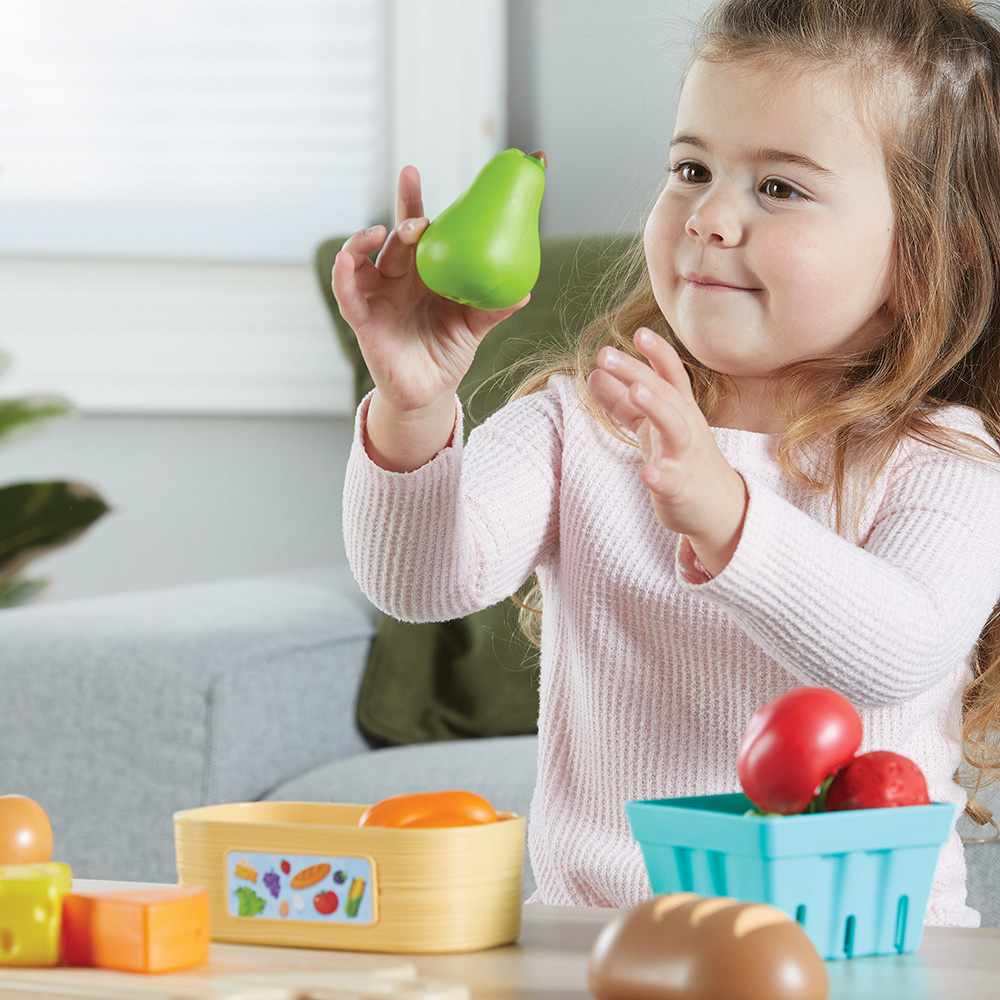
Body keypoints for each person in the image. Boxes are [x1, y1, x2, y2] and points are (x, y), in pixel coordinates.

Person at [333, 0, 1000, 926]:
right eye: (692, 168)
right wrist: (414, 405)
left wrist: (726, 516)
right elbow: (421, 581)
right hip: (605, 939)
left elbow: (897, 651)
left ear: (927, 256)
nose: (710, 217)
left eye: (781, 188)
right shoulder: (588, 422)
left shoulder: (944, 458)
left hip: (862, 947)